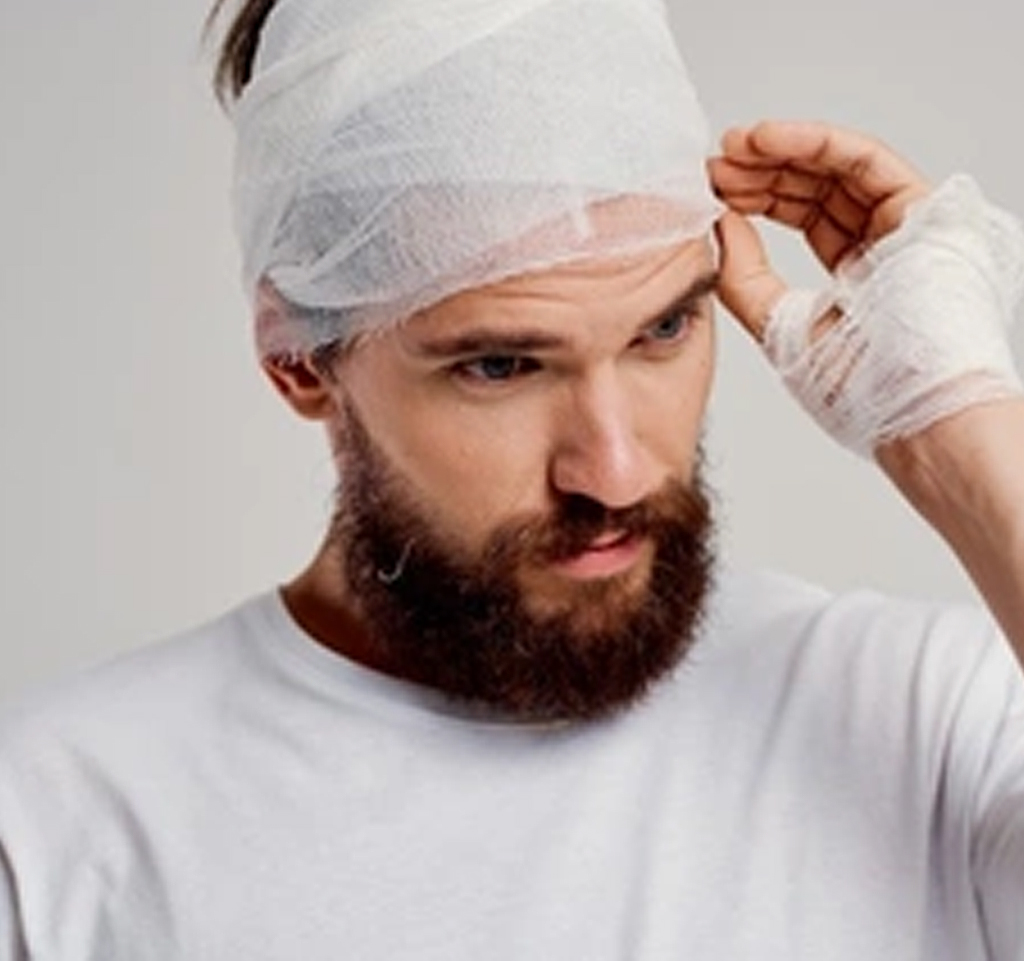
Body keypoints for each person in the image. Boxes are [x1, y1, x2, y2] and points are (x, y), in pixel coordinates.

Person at [2, 0, 1023, 956]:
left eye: (662, 327)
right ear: (302, 362)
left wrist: (958, 430)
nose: (616, 471)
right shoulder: (53, 826)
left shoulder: (932, 722)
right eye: (499, 365)